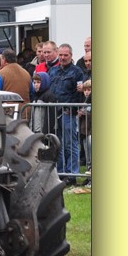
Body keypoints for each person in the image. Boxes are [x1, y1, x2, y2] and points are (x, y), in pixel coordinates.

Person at [48, 43, 86, 181]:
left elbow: (80, 93)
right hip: (54, 112)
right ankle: (60, 172)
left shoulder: (77, 72)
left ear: (71, 55)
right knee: (57, 143)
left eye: (66, 55)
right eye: (61, 55)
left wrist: (73, 109)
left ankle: (72, 174)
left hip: (68, 113)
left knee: (70, 144)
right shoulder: (53, 70)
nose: (63, 58)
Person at [29, 70, 56, 134]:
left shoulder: (49, 95)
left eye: (38, 82)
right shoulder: (35, 95)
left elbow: (51, 116)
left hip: (44, 131)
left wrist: (46, 132)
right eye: (34, 82)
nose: (36, 85)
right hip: (35, 130)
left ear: (45, 82)